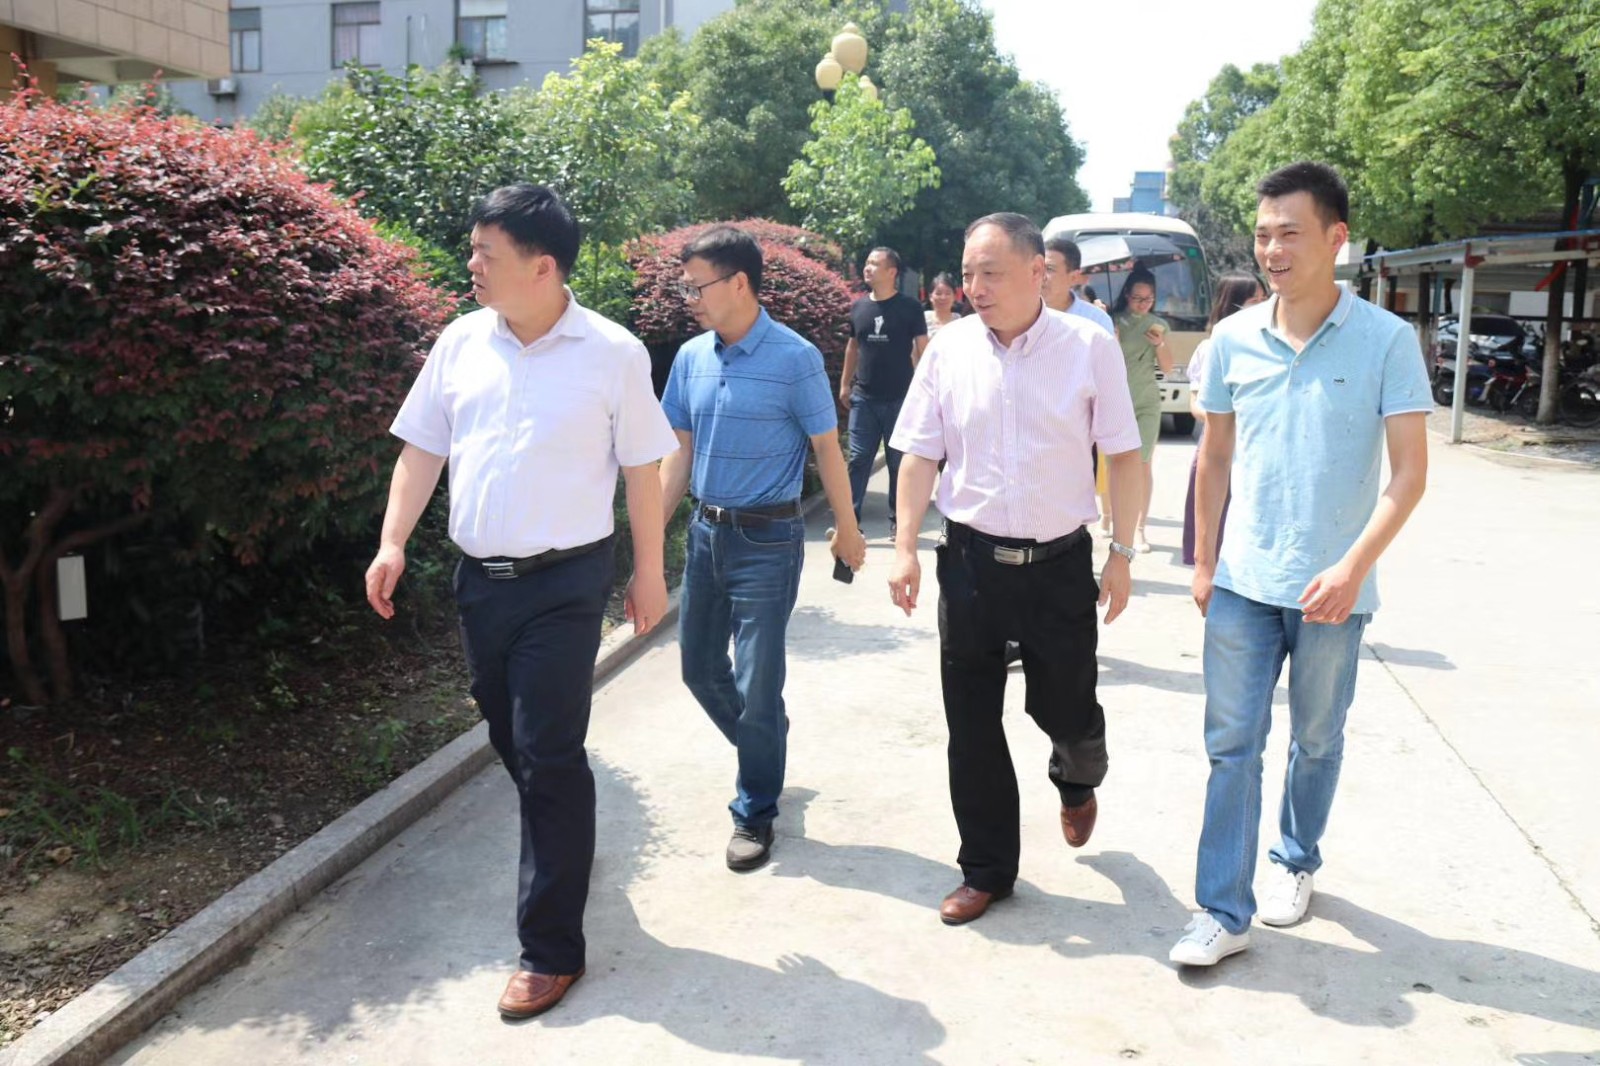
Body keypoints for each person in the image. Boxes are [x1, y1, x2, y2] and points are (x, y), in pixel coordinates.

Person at [364, 184, 678, 1019]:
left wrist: (649, 571)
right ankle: (565, 838)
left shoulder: (612, 353)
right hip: (481, 584)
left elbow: (642, 470)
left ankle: (550, 950)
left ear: (542, 267)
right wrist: (393, 541)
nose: (470, 264)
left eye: (486, 253)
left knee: (547, 750)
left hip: (566, 583)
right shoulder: (461, 341)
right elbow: (422, 449)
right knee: (512, 738)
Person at [1170, 162, 1430, 967]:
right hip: (1244, 582)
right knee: (1232, 745)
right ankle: (1222, 911)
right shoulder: (1232, 340)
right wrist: (1204, 561)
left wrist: (1353, 568)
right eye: (1263, 235)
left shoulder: (1387, 340)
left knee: (1316, 739)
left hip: (1334, 592)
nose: (1272, 249)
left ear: (1335, 238)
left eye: (1290, 233)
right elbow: (1214, 458)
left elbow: (1410, 475)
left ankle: (1294, 857)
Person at [885, 212, 1144, 926]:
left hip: (1057, 565)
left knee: (1066, 711)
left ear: (1038, 272)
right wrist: (904, 546)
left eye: (991, 273)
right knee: (970, 723)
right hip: (969, 562)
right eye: (969, 273)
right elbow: (918, 453)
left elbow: (1124, 455)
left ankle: (1078, 777)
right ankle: (986, 870)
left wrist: (1122, 553)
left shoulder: (1088, 347)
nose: (975, 287)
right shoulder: (948, 349)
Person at [659, 226, 867, 873]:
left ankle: (754, 810)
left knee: (756, 682)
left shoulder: (795, 358)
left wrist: (849, 527)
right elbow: (678, 452)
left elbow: (827, 447)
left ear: (740, 283)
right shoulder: (690, 357)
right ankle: (766, 745)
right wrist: (648, 537)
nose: (689, 298)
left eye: (696, 286)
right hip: (705, 535)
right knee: (699, 670)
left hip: (768, 541)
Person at [840, 247, 929, 538]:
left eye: (875, 264)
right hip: (864, 398)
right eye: (867, 262)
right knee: (858, 459)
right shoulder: (859, 307)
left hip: (900, 399)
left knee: (897, 462)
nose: (868, 268)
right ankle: (849, 523)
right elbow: (853, 347)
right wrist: (845, 383)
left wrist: (927, 390)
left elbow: (923, 349)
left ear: (892, 272)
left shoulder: (910, 307)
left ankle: (898, 521)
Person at [1180, 273, 1266, 565]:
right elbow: (1196, 406)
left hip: (1256, 451)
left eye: (1264, 299)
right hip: (1219, 449)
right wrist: (1230, 417)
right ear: (1232, 304)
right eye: (1253, 300)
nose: (1262, 306)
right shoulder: (1211, 347)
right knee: (1214, 535)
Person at [1110, 267, 1176, 552]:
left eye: (1148, 299)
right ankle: (1113, 520)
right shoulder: (1112, 322)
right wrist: (1112, 338)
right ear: (1127, 295)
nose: (1142, 304)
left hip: (1147, 400)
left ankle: (1140, 529)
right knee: (1116, 463)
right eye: (1138, 298)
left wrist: (1159, 344)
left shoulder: (1158, 325)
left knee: (1143, 462)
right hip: (1116, 399)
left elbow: (1168, 368)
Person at [1042, 234, 1115, 337]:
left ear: (1073, 277)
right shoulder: (1022, 316)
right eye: (1037, 268)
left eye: (1049, 269)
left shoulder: (1095, 320)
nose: (1040, 275)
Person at [925, 272, 963, 337]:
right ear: (930, 296)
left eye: (948, 293)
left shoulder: (960, 321)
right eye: (938, 293)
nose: (943, 297)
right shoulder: (923, 319)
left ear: (954, 297)